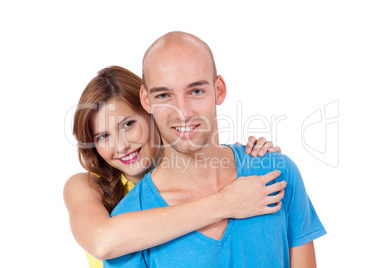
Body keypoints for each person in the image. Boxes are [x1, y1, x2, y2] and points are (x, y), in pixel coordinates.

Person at [104, 32, 326, 268]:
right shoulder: (128, 223)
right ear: (146, 100)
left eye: (196, 91)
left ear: (219, 90)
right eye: (164, 95)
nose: (183, 111)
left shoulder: (277, 174)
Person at [64, 66, 285, 268]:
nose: (121, 146)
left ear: (153, 112)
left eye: (129, 124)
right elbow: (103, 241)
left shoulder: (203, 172)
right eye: (103, 136)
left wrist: (249, 160)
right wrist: (227, 202)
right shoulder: (86, 186)